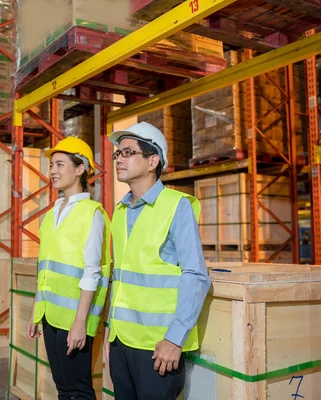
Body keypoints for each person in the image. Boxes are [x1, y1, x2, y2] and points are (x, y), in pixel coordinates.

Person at [104, 122, 211, 400]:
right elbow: (123, 279)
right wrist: (110, 334)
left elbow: (196, 276)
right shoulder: (119, 211)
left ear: (153, 161)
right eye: (117, 154)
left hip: (159, 348)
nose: (119, 159)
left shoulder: (177, 206)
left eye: (128, 152)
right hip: (121, 343)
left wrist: (174, 339)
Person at [26, 136, 111, 400]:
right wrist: (35, 311)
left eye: (61, 164)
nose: (53, 171)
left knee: (79, 389)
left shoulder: (92, 213)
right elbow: (46, 270)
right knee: (63, 387)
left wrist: (79, 323)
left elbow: (92, 271)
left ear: (80, 168)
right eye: (52, 165)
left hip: (75, 318)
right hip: (50, 316)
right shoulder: (51, 213)